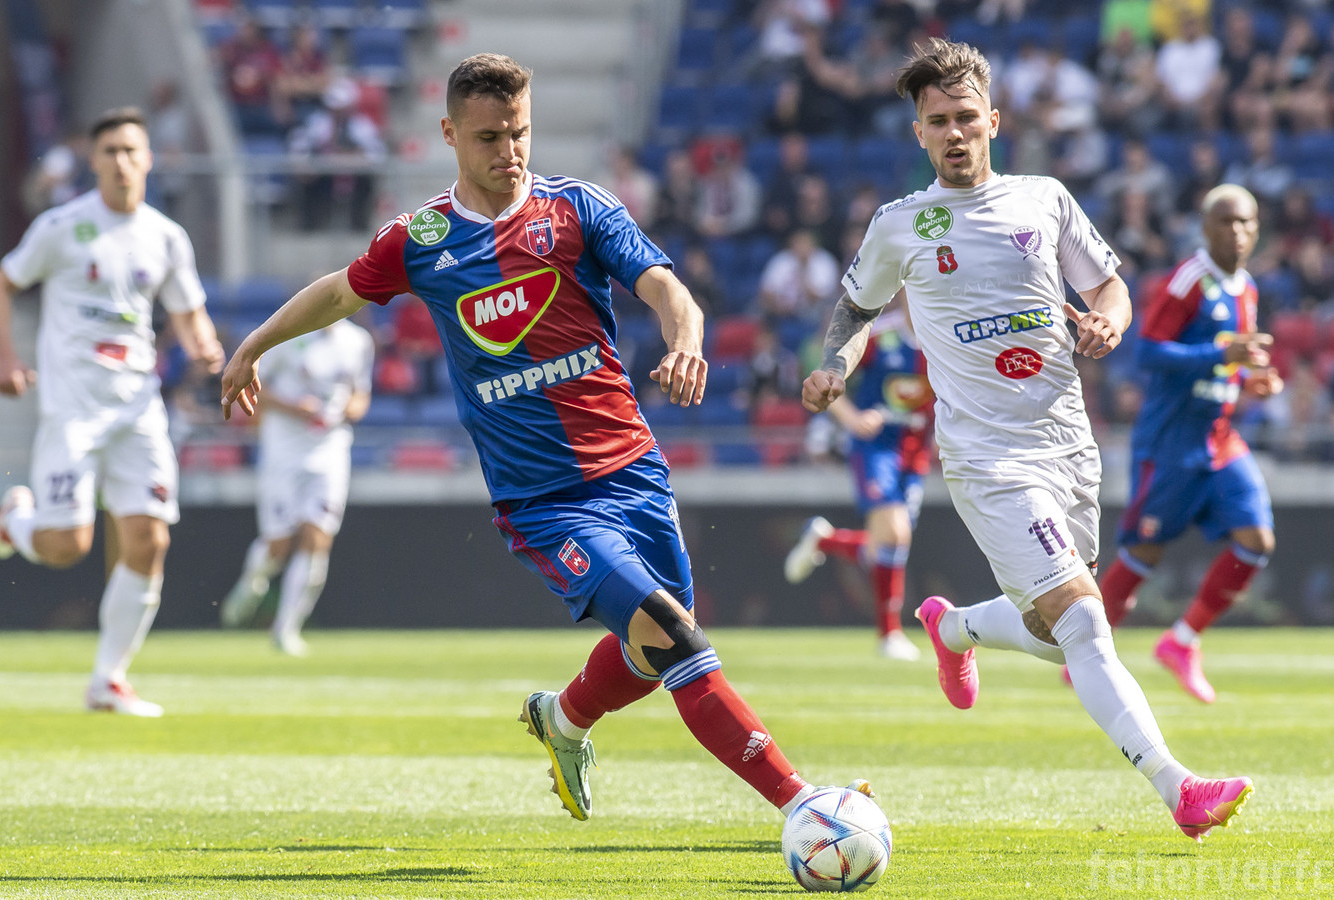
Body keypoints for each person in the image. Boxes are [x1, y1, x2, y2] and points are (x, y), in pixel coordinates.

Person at [220, 53, 862, 828]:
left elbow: (665, 286)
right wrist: (254, 344)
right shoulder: (422, 238)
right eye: (489, 137)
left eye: (519, 132)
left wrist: (686, 339)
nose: (509, 151)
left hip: (633, 469)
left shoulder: (577, 210)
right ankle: (803, 805)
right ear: (450, 133)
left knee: (653, 652)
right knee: (676, 638)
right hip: (545, 502)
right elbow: (339, 292)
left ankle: (562, 718)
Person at [800, 38, 1253, 841]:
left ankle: (954, 628)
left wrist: (1108, 323)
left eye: (966, 116)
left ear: (994, 121)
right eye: (938, 121)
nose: (954, 132)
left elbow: (1110, 287)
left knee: (1054, 634)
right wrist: (835, 364)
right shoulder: (900, 225)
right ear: (918, 133)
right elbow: (855, 311)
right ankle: (1178, 787)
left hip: (1068, 444)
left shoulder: (1043, 200)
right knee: (1083, 621)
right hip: (987, 458)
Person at [0, 107, 225, 717]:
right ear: (93, 161)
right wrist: (7, 358)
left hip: (137, 408)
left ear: (148, 160)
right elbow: (0, 286)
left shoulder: (166, 237)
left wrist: (204, 346)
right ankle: (16, 522)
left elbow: (188, 311)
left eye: (131, 150)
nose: (121, 161)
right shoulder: (61, 226)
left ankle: (108, 680)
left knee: (149, 539)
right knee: (67, 545)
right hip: (73, 409)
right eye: (110, 150)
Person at [1097, 185, 1281, 704]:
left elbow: (1229, 362)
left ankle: (1181, 641)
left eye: (1245, 222)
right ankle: (1089, 653)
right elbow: (1149, 353)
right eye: (1226, 222)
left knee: (1256, 540)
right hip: (1171, 441)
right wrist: (1222, 356)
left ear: (1257, 230)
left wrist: (1251, 379)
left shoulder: (1246, 289)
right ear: (1205, 228)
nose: (1237, 232)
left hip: (1219, 439)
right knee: (1144, 550)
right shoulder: (1188, 281)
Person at [221, 317, 374, 656]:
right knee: (278, 545)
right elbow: (253, 386)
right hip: (284, 451)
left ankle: (286, 629)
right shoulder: (284, 335)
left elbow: (360, 396)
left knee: (318, 538)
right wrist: (295, 407)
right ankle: (252, 581)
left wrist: (344, 410)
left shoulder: (358, 341)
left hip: (330, 450)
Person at [785, 309, 930, 660]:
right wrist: (852, 418)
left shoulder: (945, 334)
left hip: (916, 453)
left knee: (885, 546)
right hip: (876, 449)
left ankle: (825, 539)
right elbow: (822, 374)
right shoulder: (881, 336)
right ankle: (889, 635)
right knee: (895, 534)